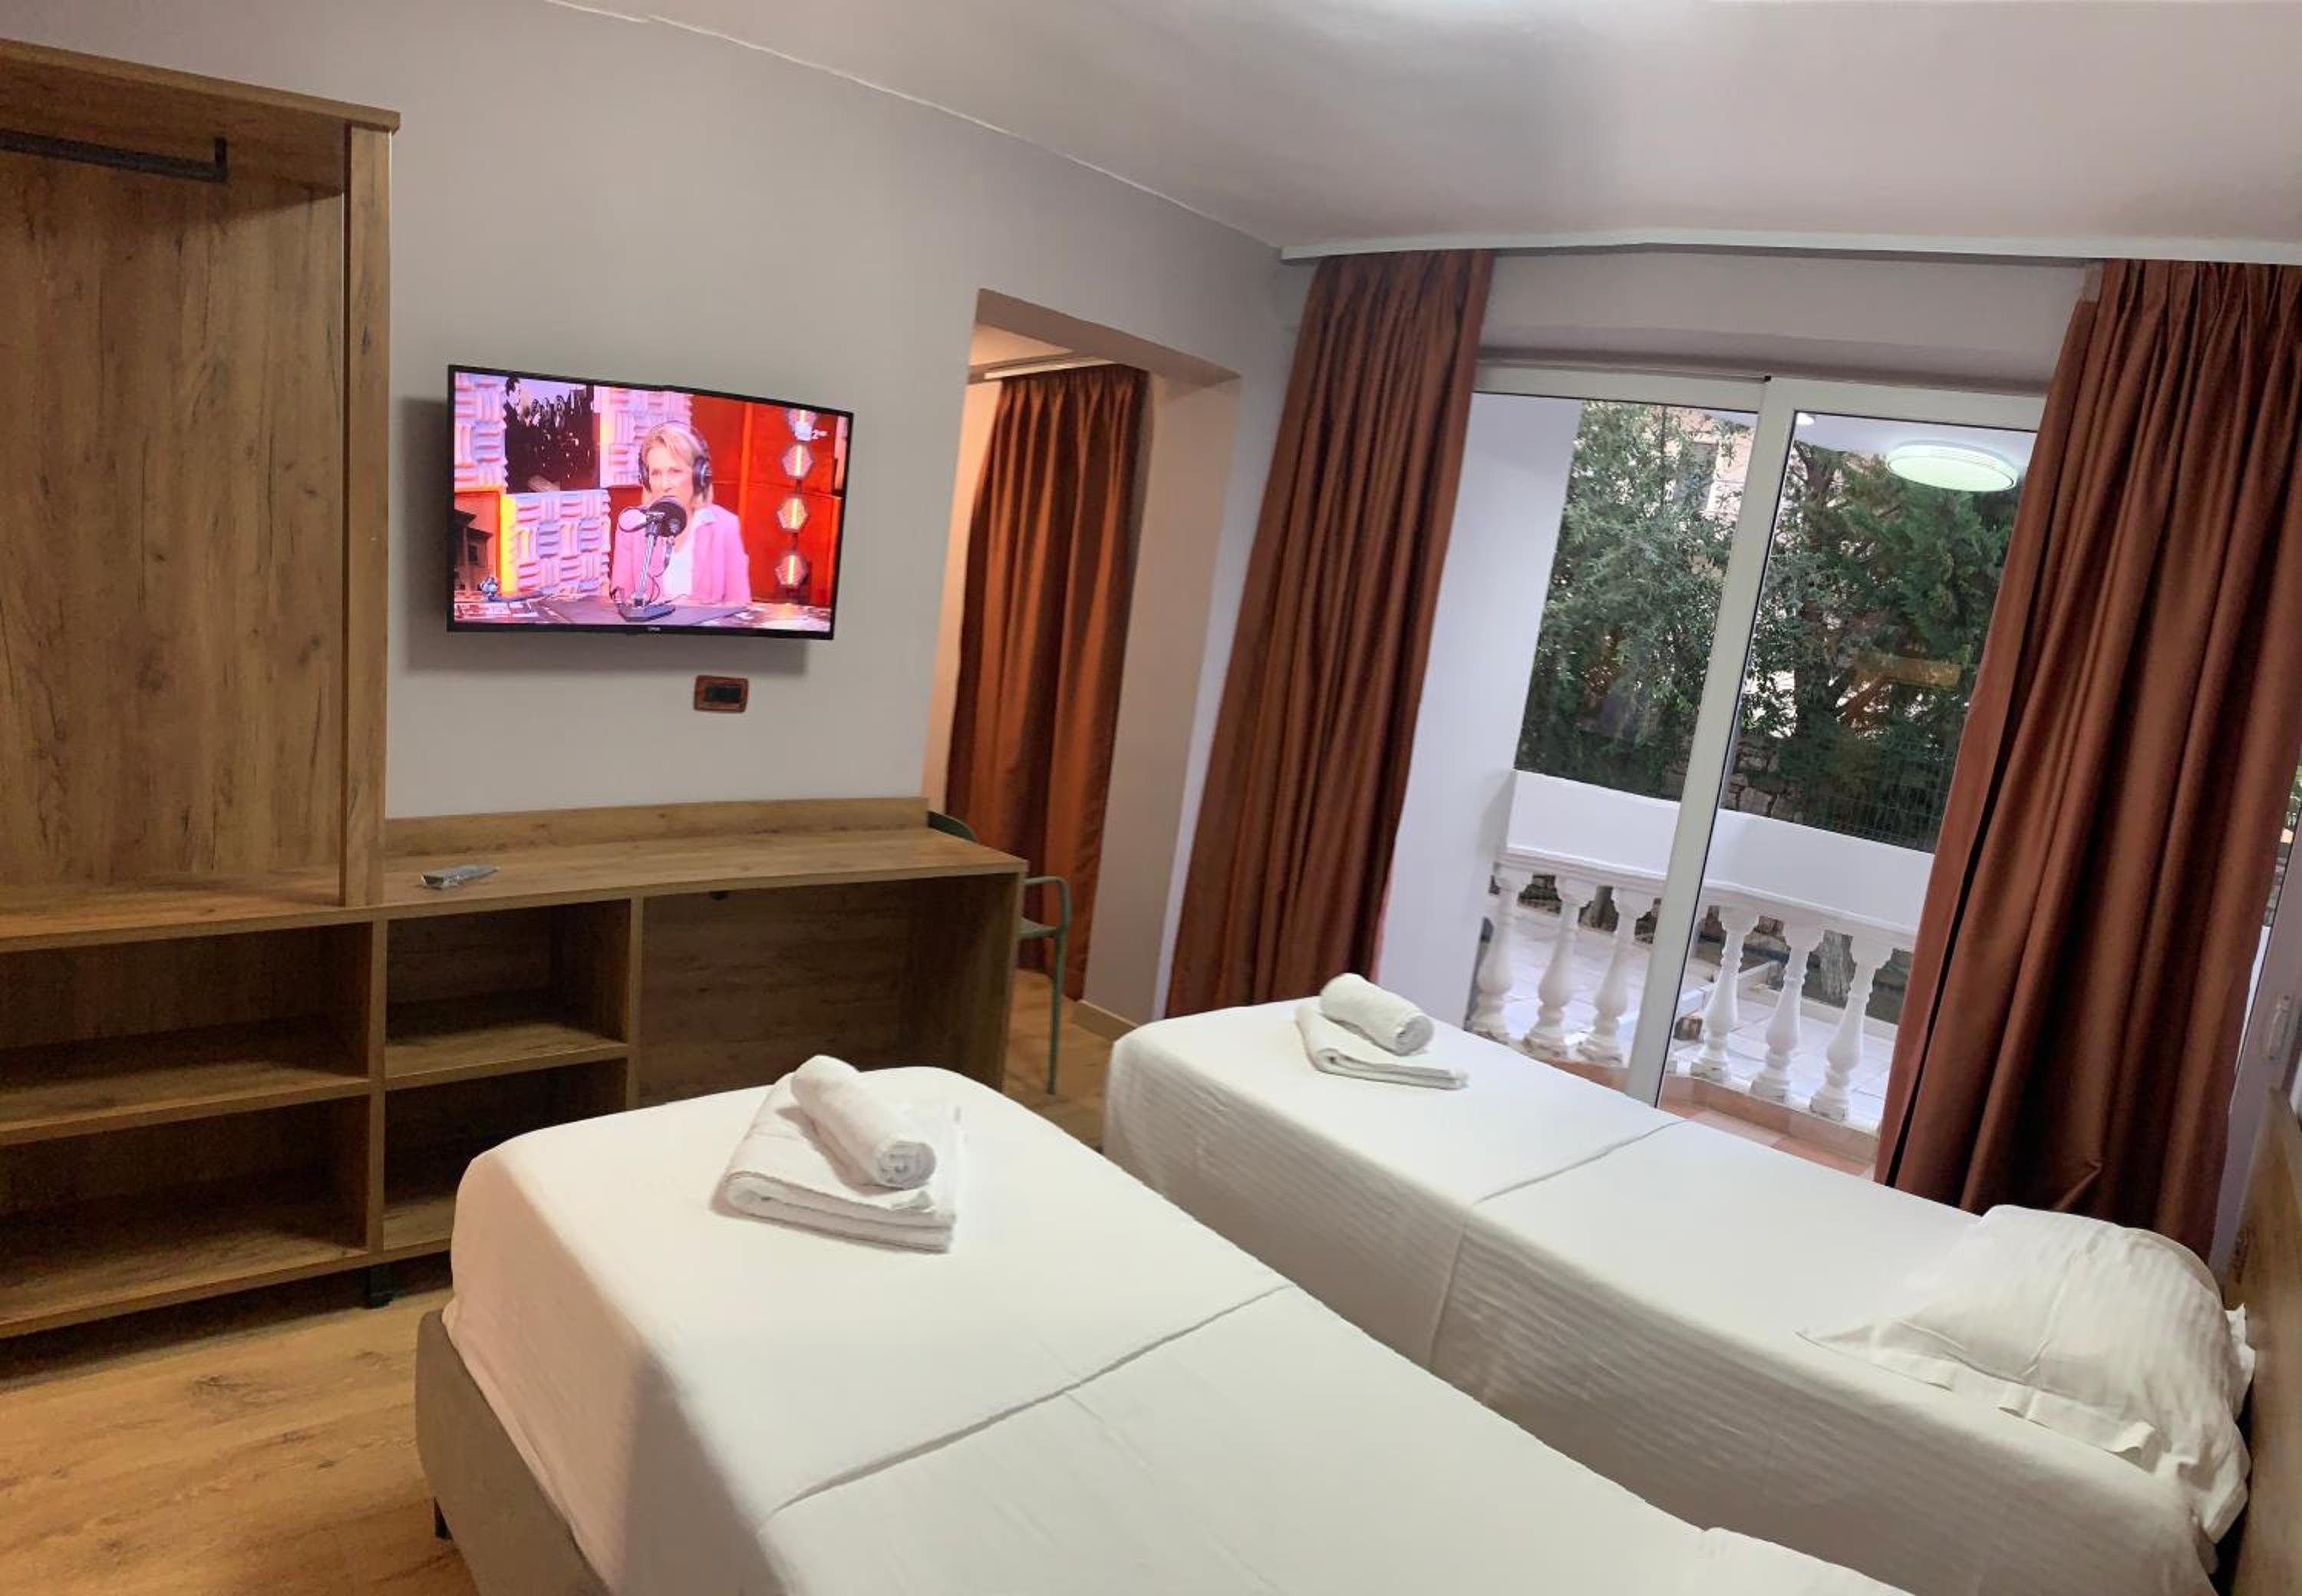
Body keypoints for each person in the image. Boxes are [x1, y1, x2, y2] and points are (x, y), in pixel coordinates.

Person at [613, 420, 751, 607]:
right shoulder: (632, 525)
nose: (665, 485)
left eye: (675, 471)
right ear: (645, 479)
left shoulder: (725, 526)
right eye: (656, 473)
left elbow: (739, 606)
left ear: (698, 476)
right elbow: (621, 603)